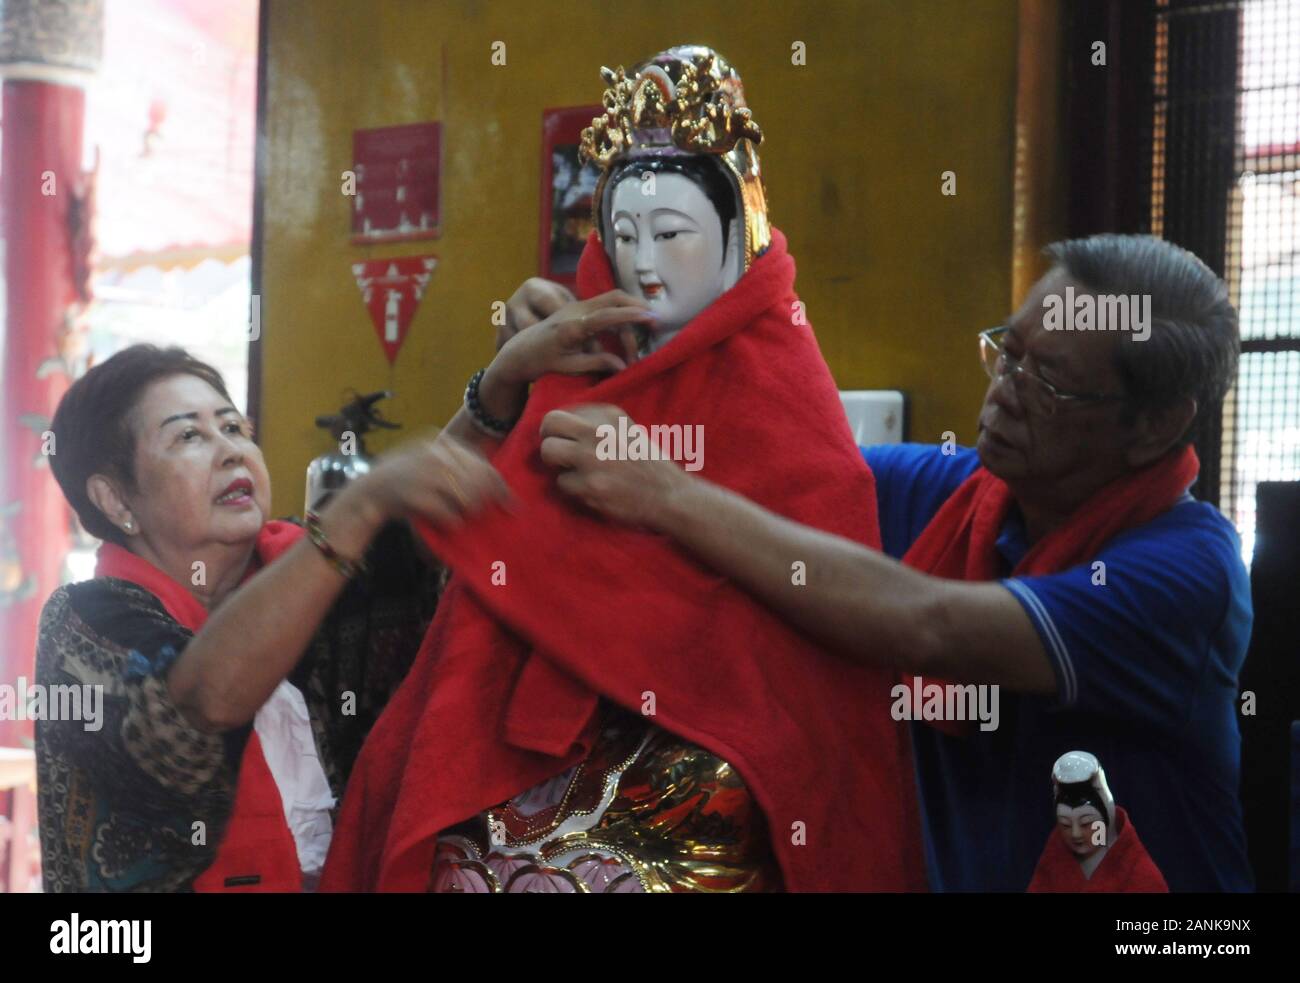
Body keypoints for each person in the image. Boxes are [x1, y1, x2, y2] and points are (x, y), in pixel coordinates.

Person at [323, 46, 925, 894]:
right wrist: (509, 382)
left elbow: (815, 684)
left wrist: (668, 497)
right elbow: (465, 564)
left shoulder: (785, 403)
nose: (646, 263)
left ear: (739, 232)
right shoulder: (574, 360)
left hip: (701, 749)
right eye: (626, 234)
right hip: (543, 742)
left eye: (673, 235)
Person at [537, 233, 1254, 892]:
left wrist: (668, 495)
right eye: (1009, 350)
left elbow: (931, 624)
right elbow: (762, 475)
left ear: (1156, 424)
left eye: (1050, 382)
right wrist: (574, 361)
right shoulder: (954, 495)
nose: (1005, 388)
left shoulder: (1187, 569)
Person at [35, 281, 653, 892]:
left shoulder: (305, 578)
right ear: (116, 499)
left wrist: (502, 381)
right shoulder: (86, 623)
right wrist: (356, 509)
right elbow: (197, 705)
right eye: (189, 436)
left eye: (233, 427)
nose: (230, 451)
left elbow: (418, 525)